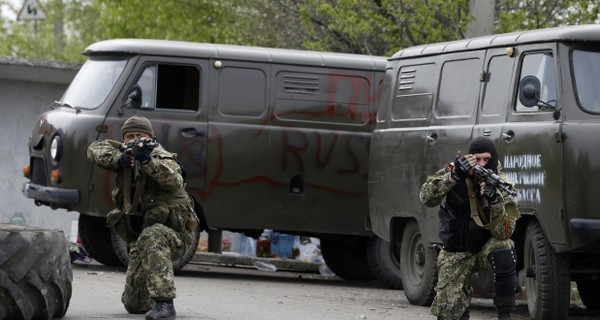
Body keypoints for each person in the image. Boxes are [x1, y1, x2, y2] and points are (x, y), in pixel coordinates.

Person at [87, 114, 198, 320]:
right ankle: (150, 293)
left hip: (174, 237)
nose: (135, 140)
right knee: (134, 305)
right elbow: (94, 149)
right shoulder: (124, 155)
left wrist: (147, 161)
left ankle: (165, 303)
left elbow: (175, 180)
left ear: (151, 139)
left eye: (140, 135)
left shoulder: (161, 157)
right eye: (130, 136)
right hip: (143, 241)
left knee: (151, 235)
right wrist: (120, 159)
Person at [419, 137, 520, 320]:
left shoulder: (501, 183)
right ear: (470, 157)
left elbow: (505, 233)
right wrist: (454, 176)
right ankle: (461, 307)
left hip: (485, 249)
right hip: (456, 251)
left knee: (504, 248)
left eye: (487, 159)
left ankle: (505, 314)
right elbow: (426, 197)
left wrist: (494, 201)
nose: (482, 164)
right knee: (450, 313)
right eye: (477, 159)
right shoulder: (454, 169)